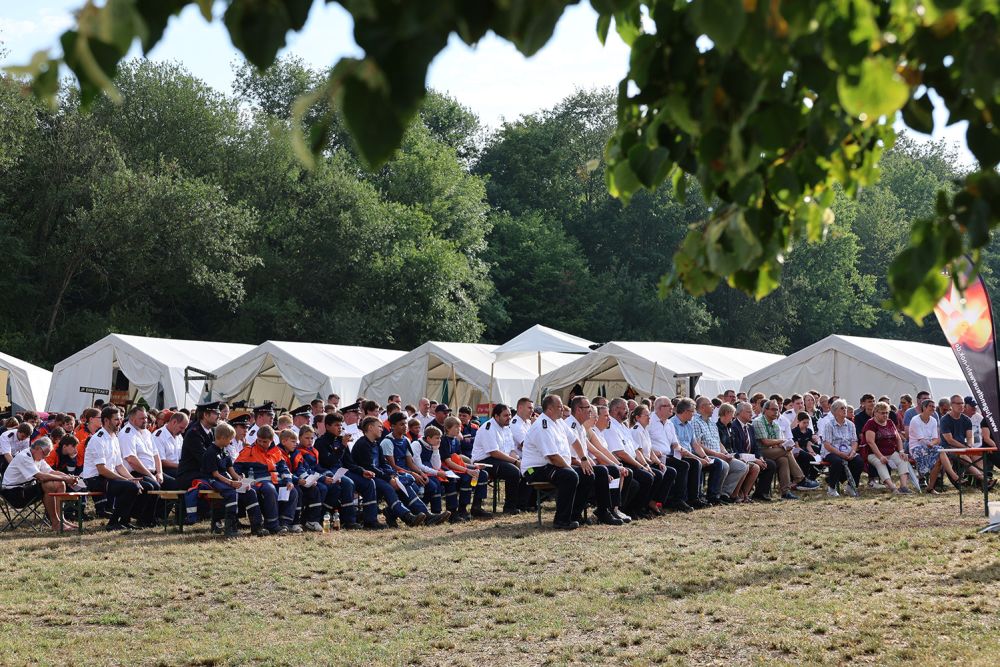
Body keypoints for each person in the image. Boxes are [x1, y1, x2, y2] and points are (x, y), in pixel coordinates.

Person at [521, 394, 594, 530]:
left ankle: (574, 515)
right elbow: (553, 457)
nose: (562, 409)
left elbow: (575, 440)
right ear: (549, 409)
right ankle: (561, 520)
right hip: (534, 469)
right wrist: (570, 469)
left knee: (588, 473)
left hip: (552, 465)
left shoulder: (559, 421)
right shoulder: (542, 426)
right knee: (570, 476)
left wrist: (583, 459)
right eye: (559, 407)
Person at [350, 416, 427, 527]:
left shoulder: (376, 443)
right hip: (366, 476)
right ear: (370, 428)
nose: (382, 429)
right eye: (380, 426)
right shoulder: (362, 444)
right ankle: (407, 516)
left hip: (378, 475)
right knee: (388, 487)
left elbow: (383, 464)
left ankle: (425, 514)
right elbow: (370, 467)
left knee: (403, 484)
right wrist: (389, 479)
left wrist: (393, 475)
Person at [314, 412, 383, 530]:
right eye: (336, 425)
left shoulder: (341, 440)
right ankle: (349, 520)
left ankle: (370, 520)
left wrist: (362, 471)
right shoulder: (321, 442)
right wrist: (342, 446)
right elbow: (328, 462)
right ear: (327, 426)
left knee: (368, 482)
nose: (340, 428)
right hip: (330, 472)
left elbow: (349, 463)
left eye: (341, 425)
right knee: (348, 483)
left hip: (345, 471)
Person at [379, 413, 448, 525]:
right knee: (411, 487)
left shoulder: (406, 440)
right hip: (393, 474)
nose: (405, 426)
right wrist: (413, 474)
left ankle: (392, 512)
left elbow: (409, 462)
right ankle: (427, 516)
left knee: (423, 484)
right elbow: (392, 466)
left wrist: (420, 473)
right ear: (392, 426)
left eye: (406, 423)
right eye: (401, 424)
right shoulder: (387, 442)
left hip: (404, 473)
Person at [290, 425, 364, 529]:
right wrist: (323, 478)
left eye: (311, 438)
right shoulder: (298, 452)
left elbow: (318, 467)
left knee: (336, 488)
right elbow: (303, 470)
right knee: (323, 488)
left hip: (316, 476)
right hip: (305, 479)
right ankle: (310, 518)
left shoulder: (313, 450)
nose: (310, 441)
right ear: (300, 437)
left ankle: (321, 515)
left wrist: (329, 474)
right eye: (306, 438)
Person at [565, 396, 624, 526]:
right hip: (567, 465)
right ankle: (589, 513)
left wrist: (615, 465)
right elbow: (570, 457)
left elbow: (586, 455)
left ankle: (609, 509)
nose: (591, 413)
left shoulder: (580, 427)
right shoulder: (570, 425)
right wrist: (591, 467)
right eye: (588, 409)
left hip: (578, 463)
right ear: (579, 410)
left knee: (611, 469)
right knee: (600, 471)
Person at [81, 406, 142, 530]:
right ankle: (113, 522)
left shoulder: (114, 437)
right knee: (129, 487)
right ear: (106, 421)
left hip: (106, 477)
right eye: (116, 419)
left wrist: (132, 479)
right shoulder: (98, 439)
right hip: (94, 479)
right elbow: (101, 470)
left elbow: (119, 465)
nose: (120, 422)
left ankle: (124, 521)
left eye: (120, 419)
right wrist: (126, 480)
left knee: (135, 485)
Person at [202, 422, 265, 537]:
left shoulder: (225, 451)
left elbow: (231, 470)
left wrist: (241, 480)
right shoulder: (210, 452)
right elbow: (215, 474)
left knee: (250, 491)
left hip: (225, 479)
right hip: (213, 480)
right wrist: (231, 483)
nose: (231, 442)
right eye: (230, 439)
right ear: (222, 438)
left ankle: (257, 526)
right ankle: (230, 528)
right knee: (231, 493)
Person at [1, 437, 78, 531]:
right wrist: (65, 478)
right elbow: (41, 477)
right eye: (45, 453)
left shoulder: (37, 456)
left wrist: (69, 477)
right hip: (14, 494)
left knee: (60, 483)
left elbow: (51, 472)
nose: (46, 456)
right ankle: (55, 523)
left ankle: (61, 520)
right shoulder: (24, 456)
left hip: (24, 488)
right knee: (49, 485)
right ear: (37, 448)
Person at [235, 424, 298, 534]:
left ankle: (284, 524)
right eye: (259, 441)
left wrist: (288, 481)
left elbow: (283, 468)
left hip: (276, 481)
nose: (261, 444)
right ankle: (272, 525)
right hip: (258, 483)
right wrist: (240, 477)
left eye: (265, 442)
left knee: (292, 491)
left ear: (271, 440)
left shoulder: (276, 451)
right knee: (270, 490)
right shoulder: (248, 451)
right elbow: (236, 468)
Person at [470, 403, 527, 515]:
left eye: (510, 415)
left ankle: (524, 504)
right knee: (513, 472)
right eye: (505, 415)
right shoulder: (489, 427)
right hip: (484, 461)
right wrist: (515, 462)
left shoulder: (506, 428)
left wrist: (519, 461)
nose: (509, 418)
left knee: (528, 470)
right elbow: (494, 452)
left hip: (499, 460)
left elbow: (511, 450)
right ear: (496, 416)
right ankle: (509, 507)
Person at [753, 400, 817, 499]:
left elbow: (775, 444)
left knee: (783, 460)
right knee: (786, 452)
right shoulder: (758, 421)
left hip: (773, 451)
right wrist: (781, 442)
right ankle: (800, 478)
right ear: (765, 410)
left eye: (778, 410)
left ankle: (785, 492)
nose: (776, 412)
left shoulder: (775, 424)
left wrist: (782, 444)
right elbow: (765, 442)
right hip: (760, 452)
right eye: (773, 409)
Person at [693, 396, 746, 503]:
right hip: (704, 455)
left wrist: (726, 453)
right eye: (710, 404)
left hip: (719, 454)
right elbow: (698, 445)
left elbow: (718, 442)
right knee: (723, 464)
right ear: (703, 407)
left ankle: (724, 493)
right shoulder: (695, 422)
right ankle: (713, 496)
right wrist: (718, 455)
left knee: (741, 466)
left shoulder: (712, 423)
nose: (713, 406)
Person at [439, 415, 492, 520]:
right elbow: (448, 462)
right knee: (466, 478)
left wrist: (474, 466)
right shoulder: (444, 441)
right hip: (447, 470)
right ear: (448, 428)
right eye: (456, 427)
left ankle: (476, 506)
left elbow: (459, 460)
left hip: (458, 468)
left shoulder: (456, 441)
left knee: (482, 474)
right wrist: (467, 470)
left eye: (459, 427)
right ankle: (456, 510)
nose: (459, 429)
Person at [118, 406, 163, 527]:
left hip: (151, 471)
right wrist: (150, 475)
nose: (146, 420)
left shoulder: (147, 433)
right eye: (142, 418)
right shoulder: (127, 433)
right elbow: (131, 459)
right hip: (135, 472)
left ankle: (157, 516)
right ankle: (144, 519)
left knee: (173, 483)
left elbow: (156, 454)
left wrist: (159, 472)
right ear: (132, 419)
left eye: (146, 417)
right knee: (153, 486)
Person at [647, 398, 694, 512]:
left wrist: (680, 449)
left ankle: (685, 499)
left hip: (669, 455)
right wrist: (653, 452)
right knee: (679, 467)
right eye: (668, 405)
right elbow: (643, 442)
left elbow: (675, 443)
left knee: (691, 463)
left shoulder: (669, 423)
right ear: (659, 408)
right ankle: (665, 501)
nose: (672, 407)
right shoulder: (649, 421)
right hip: (655, 457)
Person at [909, 398, 961, 493]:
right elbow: (921, 440)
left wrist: (932, 444)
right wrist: (931, 444)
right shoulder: (915, 420)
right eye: (931, 406)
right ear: (924, 407)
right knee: (940, 451)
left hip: (930, 446)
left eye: (934, 406)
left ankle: (930, 488)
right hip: (916, 448)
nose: (933, 408)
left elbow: (936, 439)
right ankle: (954, 476)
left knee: (939, 457)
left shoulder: (933, 420)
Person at [862, 401, 914, 493]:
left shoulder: (890, 422)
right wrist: (880, 456)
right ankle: (892, 487)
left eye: (887, 412)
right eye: (882, 413)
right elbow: (870, 442)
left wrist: (901, 451)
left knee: (903, 460)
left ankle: (904, 487)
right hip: (873, 453)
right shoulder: (870, 423)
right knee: (880, 463)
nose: (885, 415)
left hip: (891, 452)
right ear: (876, 412)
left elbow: (898, 438)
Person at [669, 398, 713, 508]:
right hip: (676, 455)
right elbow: (678, 448)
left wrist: (704, 456)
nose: (694, 414)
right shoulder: (672, 424)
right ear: (685, 411)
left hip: (688, 454)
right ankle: (686, 498)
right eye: (692, 411)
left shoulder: (689, 425)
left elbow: (695, 444)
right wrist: (698, 458)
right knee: (694, 463)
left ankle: (702, 497)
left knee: (712, 464)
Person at [939, 394, 988, 486]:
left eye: (962, 403)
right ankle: (984, 479)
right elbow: (950, 440)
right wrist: (966, 448)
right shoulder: (944, 419)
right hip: (947, 448)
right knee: (963, 456)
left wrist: (969, 446)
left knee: (977, 455)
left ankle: (980, 482)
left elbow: (970, 437)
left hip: (961, 446)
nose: (961, 405)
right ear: (951, 405)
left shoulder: (966, 419)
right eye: (958, 403)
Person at [716, 403, 760, 502]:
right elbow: (719, 445)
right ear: (727, 413)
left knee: (755, 467)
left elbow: (735, 447)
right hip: (724, 456)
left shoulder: (730, 427)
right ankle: (733, 495)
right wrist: (737, 456)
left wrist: (758, 457)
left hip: (733, 455)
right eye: (732, 414)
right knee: (744, 465)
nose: (733, 416)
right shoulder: (718, 427)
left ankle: (744, 495)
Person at [821, 400, 862, 497]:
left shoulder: (851, 424)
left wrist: (852, 452)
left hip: (847, 451)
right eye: (842, 408)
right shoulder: (829, 425)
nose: (845, 410)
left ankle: (850, 487)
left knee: (859, 461)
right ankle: (831, 489)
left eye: (845, 408)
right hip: (832, 451)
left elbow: (854, 441)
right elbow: (827, 445)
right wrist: (840, 454)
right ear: (835, 412)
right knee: (837, 461)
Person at [152, 411, 188, 487]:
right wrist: (181, 466)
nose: (183, 431)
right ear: (174, 422)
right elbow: (161, 461)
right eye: (181, 427)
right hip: (163, 470)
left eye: (184, 428)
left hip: (177, 469)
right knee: (182, 482)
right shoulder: (159, 436)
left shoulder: (179, 436)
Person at [790, 411, 821, 481]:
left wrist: (812, 452)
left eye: (808, 422)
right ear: (798, 421)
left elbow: (808, 444)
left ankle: (812, 477)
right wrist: (808, 453)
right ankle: (804, 478)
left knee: (819, 453)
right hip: (797, 451)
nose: (806, 424)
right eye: (804, 422)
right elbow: (797, 446)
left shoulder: (809, 431)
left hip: (805, 449)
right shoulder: (794, 431)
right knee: (808, 457)